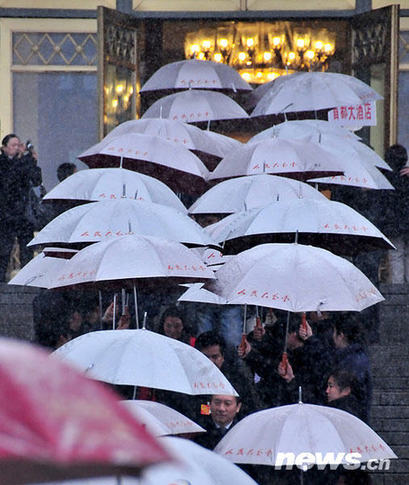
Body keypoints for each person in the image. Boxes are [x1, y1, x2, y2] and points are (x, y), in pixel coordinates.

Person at [0, 133, 42, 281]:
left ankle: (27, 279)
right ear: (4, 148)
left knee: (26, 248)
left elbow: (36, 180)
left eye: (19, 145)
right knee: (4, 250)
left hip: (24, 213)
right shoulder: (3, 163)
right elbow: (9, 180)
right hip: (6, 214)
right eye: (13, 145)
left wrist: (32, 161)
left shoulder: (24, 162)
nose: (17, 148)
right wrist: (23, 160)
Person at [195, 330, 260, 418]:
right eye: (205, 357)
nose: (210, 362)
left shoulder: (237, 380)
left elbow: (249, 409)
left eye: (215, 357)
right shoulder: (189, 380)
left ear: (223, 357)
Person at [331, 315, 372, 423]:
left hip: (349, 417)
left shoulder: (350, 362)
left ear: (341, 335)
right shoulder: (356, 357)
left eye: (334, 332)